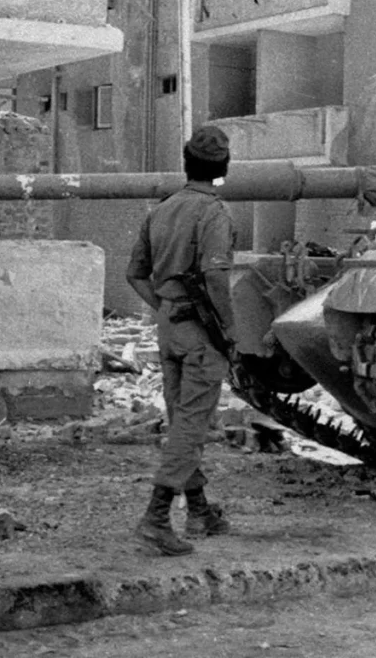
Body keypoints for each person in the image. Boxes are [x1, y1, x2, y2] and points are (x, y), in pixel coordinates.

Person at [125, 126, 237, 557]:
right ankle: (155, 519)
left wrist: (166, 306)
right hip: (201, 330)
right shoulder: (214, 213)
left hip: (170, 325)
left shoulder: (162, 210)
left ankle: (200, 510)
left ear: (186, 163)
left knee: (180, 420)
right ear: (223, 168)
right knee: (192, 424)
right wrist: (228, 329)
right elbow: (215, 275)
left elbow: (135, 274)